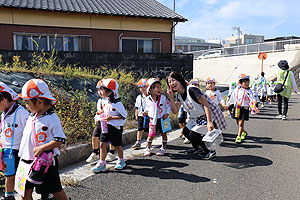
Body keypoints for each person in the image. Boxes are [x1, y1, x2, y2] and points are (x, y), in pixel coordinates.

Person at [18, 79, 68, 200]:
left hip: (45, 163)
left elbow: (60, 139)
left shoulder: (52, 118)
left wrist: (42, 148)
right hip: (26, 161)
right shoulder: (32, 116)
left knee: (55, 189)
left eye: (27, 103)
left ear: (39, 102)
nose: (26, 106)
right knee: (24, 191)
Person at [167, 72, 227, 160]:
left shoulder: (191, 90)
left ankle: (210, 150)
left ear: (179, 80)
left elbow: (206, 104)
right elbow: (175, 111)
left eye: (173, 80)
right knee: (186, 132)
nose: (171, 83)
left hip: (206, 116)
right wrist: (171, 98)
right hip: (196, 118)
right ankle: (197, 148)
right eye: (169, 82)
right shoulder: (179, 95)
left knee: (193, 135)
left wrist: (210, 122)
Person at [0, 82, 29, 200]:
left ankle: (25, 196)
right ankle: (9, 196)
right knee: (9, 175)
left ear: (4, 99)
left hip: (19, 151)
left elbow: (30, 131)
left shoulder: (21, 112)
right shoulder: (5, 113)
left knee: (21, 177)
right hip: (7, 151)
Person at [92, 78, 127, 173]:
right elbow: (106, 110)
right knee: (102, 143)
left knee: (116, 144)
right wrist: (101, 112)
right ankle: (102, 162)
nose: (100, 91)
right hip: (105, 126)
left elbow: (123, 116)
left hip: (115, 128)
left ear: (110, 92)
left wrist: (112, 118)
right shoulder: (106, 101)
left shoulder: (117, 103)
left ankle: (121, 160)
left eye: (102, 89)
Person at [143, 78, 171, 156]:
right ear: (150, 90)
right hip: (153, 119)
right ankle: (147, 148)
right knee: (151, 135)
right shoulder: (147, 99)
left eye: (160, 87)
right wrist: (145, 112)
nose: (159, 89)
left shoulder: (163, 98)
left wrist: (167, 113)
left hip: (162, 119)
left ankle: (163, 148)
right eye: (157, 87)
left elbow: (168, 106)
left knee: (164, 133)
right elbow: (146, 108)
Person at [227, 74, 256, 143]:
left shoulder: (249, 91)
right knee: (238, 122)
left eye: (248, 82)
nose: (247, 84)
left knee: (241, 123)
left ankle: (238, 136)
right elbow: (232, 99)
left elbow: (253, 99)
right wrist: (229, 107)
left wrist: (254, 104)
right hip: (237, 108)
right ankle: (244, 132)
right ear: (240, 83)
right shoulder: (236, 90)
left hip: (245, 108)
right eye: (245, 82)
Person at [131, 79, 149, 149]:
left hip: (148, 115)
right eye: (141, 87)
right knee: (139, 129)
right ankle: (138, 141)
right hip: (140, 115)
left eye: (144, 87)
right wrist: (136, 115)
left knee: (147, 129)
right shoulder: (139, 97)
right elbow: (137, 107)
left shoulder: (150, 97)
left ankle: (148, 141)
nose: (143, 89)